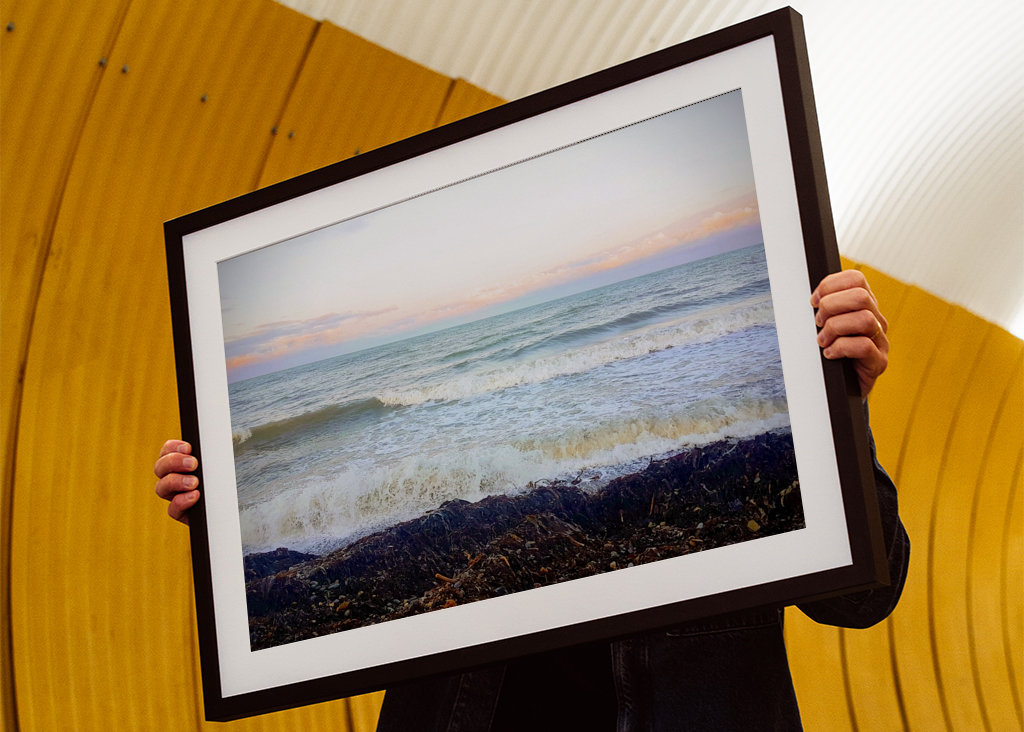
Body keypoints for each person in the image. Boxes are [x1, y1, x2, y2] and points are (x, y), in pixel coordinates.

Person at [155, 270, 908, 731]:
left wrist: (840, 404)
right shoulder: (462, 540)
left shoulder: (772, 385)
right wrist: (230, 519)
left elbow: (865, 597)